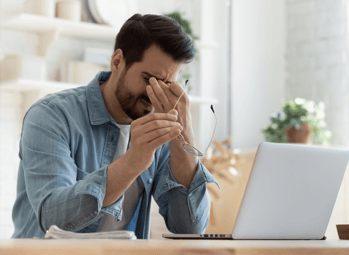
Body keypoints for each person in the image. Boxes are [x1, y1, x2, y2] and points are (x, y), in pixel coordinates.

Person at [11, 13, 219, 239]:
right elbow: (53, 219)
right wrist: (133, 161)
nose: (154, 94)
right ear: (117, 61)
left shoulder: (162, 130)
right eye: (149, 79)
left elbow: (190, 229)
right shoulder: (51, 116)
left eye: (166, 84)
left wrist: (184, 135)